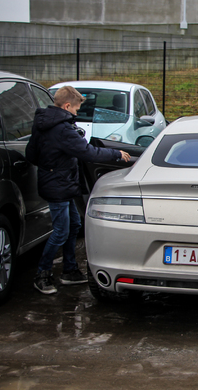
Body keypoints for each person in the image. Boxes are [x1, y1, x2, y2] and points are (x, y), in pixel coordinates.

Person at [26, 86, 131, 295]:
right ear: (66, 106)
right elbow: (87, 152)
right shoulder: (62, 129)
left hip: (58, 181)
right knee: (61, 231)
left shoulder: (44, 124)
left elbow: (32, 153)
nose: (76, 113)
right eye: (75, 109)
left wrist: (50, 166)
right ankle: (42, 274)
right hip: (58, 184)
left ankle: (70, 271)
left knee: (74, 225)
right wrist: (116, 154)